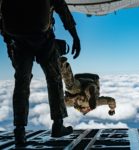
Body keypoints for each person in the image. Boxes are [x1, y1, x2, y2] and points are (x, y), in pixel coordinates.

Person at [1, 0, 81, 146]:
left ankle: (19, 131)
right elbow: (62, 8)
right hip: (43, 39)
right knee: (54, 79)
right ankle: (58, 124)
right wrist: (74, 35)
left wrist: (8, 42)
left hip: (18, 41)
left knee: (21, 83)